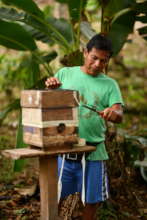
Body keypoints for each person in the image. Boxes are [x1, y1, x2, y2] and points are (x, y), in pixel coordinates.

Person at [45, 34, 124, 220]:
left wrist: (114, 114)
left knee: (91, 202)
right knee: (62, 200)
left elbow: (118, 112)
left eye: (103, 61)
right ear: (85, 52)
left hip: (94, 153)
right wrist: (50, 86)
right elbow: (49, 102)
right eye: (94, 58)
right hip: (66, 150)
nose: (97, 64)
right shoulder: (65, 74)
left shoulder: (110, 84)